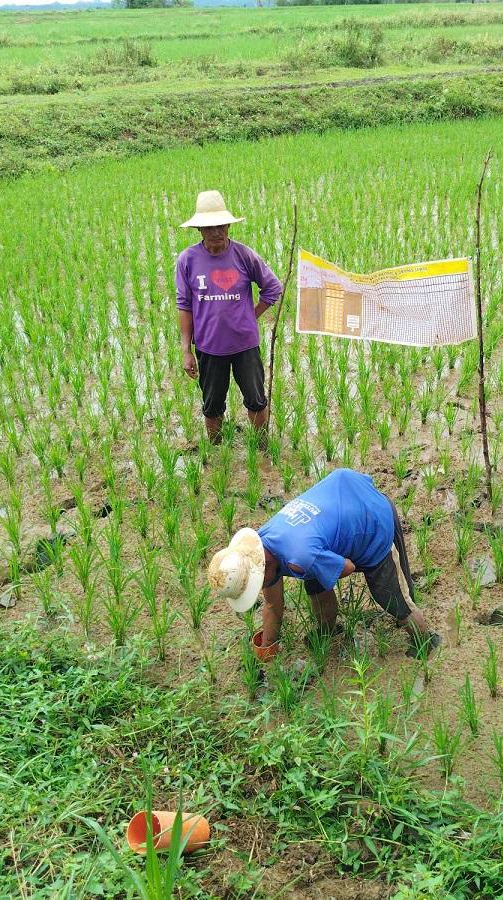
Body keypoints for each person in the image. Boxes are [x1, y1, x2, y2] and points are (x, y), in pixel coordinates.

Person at [207, 468, 441, 659]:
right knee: (315, 583)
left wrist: (329, 567)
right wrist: (268, 646)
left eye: (255, 585)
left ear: (264, 567)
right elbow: (272, 605)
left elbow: (348, 567)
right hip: (343, 494)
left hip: (370, 517)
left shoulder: (300, 557)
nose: (258, 588)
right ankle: (327, 630)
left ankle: (425, 642)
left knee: (390, 596)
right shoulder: (261, 545)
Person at [176, 190, 284, 445]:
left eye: (221, 225)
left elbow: (273, 288)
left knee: (256, 399)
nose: (216, 232)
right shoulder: (187, 260)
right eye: (209, 227)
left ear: (228, 226)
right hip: (209, 346)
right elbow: (184, 305)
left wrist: (251, 316)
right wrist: (186, 350)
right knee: (212, 403)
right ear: (199, 230)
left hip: (245, 345)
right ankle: (217, 451)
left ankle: (261, 447)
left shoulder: (244, 255)